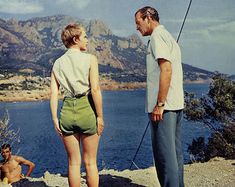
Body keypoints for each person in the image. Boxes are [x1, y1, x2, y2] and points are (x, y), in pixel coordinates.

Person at [135, 6, 184, 187]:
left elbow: (166, 69)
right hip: (175, 104)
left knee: (164, 156)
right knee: (175, 154)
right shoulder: (167, 35)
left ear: (148, 18)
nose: (137, 28)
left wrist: (160, 104)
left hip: (165, 107)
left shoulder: (157, 36)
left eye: (138, 22)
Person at [50, 23, 104, 187]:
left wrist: (54, 119)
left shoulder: (57, 63)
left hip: (66, 112)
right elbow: (95, 89)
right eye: (85, 36)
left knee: (73, 163)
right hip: (87, 110)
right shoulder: (90, 59)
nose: (87, 40)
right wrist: (100, 116)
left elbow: (53, 94)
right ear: (76, 39)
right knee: (90, 162)